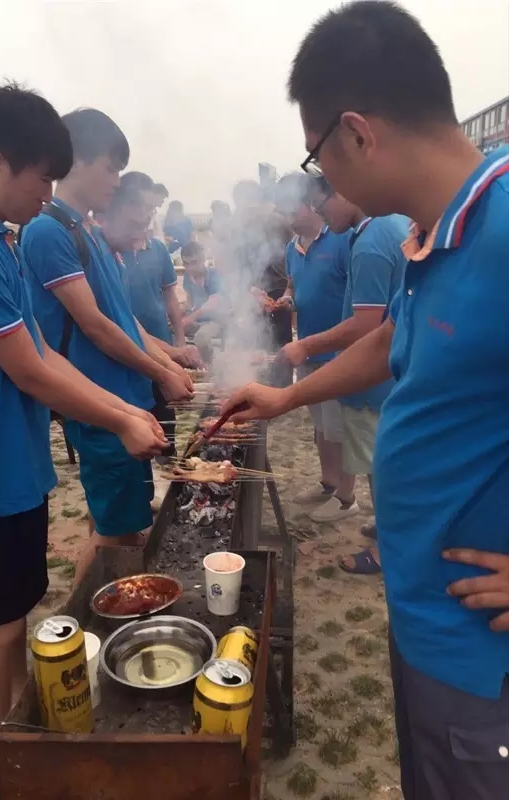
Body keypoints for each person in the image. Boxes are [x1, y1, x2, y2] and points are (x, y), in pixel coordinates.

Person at [223, 3, 509, 798]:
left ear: (356, 132)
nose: (322, 179)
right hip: (426, 614)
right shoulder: (439, 228)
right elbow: (393, 339)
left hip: (484, 652)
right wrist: (285, 401)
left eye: (316, 156)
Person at [0, 84, 166, 729]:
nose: (46, 196)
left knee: (14, 615)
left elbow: (45, 355)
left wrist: (130, 412)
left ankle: (22, 737)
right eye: (40, 179)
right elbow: (33, 372)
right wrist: (122, 417)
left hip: (10, 464)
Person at [21, 108, 192, 586]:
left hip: (127, 399)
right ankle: (83, 624)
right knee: (115, 536)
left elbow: (125, 318)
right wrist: (160, 373)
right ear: (75, 161)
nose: (117, 179)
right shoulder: (47, 232)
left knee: (119, 524)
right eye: (111, 166)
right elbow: (95, 326)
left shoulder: (87, 232)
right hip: (101, 404)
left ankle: (111, 611)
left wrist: (166, 360)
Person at [281, 172, 408, 560]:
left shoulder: (370, 242)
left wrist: (306, 345)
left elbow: (367, 325)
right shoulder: (387, 226)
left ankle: (388, 548)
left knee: (381, 467)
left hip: (377, 377)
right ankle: (387, 528)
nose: (321, 213)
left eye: (322, 204)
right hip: (390, 372)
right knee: (379, 459)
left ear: (345, 191)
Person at [98, 172, 201, 459]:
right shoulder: (98, 254)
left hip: (148, 356)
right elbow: (107, 327)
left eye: (149, 217)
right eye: (136, 220)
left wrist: (171, 355)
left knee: (161, 427)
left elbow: (130, 322)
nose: (143, 227)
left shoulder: (135, 253)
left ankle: (165, 466)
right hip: (115, 387)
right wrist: (164, 367)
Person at [274, 172, 354, 510]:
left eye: (290, 205)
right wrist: (286, 300)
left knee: (341, 428)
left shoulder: (342, 239)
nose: (285, 213)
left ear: (311, 204)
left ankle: (346, 498)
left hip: (341, 353)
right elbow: (293, 286)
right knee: (321, 426)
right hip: (306, 349)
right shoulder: (292, 248)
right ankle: (328, 483)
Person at [181, 241, 223, 364]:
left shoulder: (214, 275)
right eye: (186, 264)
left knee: (201, 338)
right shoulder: (187, 277)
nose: (190, 268)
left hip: (216, 320)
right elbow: (190, 301)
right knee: (172, 331)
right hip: (198, 321)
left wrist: (190, 318)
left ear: (202, 259)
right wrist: (181, 311)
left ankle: (209, 366)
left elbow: (213, 302)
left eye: (194, 263)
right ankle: (188, 363)